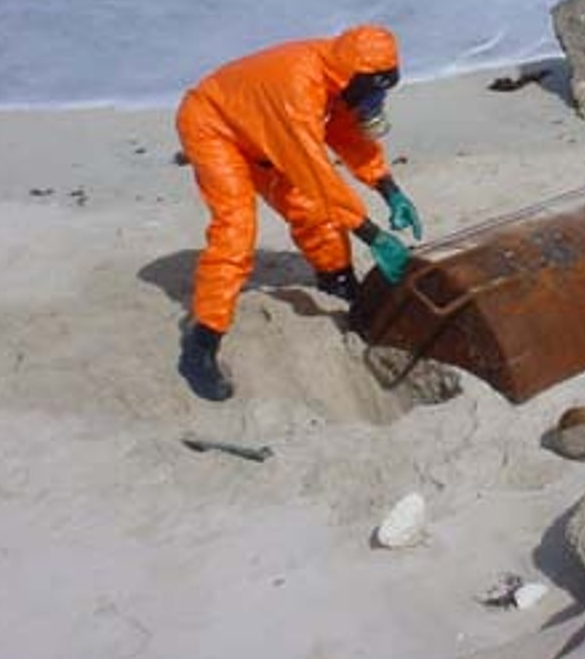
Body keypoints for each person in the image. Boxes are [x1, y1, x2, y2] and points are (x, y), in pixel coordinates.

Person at [175, 24, 423, 401]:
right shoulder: (299, 91)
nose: (375, 100)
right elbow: (316, 175)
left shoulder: (342, 79)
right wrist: (373, 235)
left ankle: (339, 284)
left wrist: (389, 189)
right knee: (236, 232)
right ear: (356, 78)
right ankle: (202, 343)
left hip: (264, 131)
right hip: (214, 127)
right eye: (373, 92)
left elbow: (348, 137)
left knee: (314, 213)